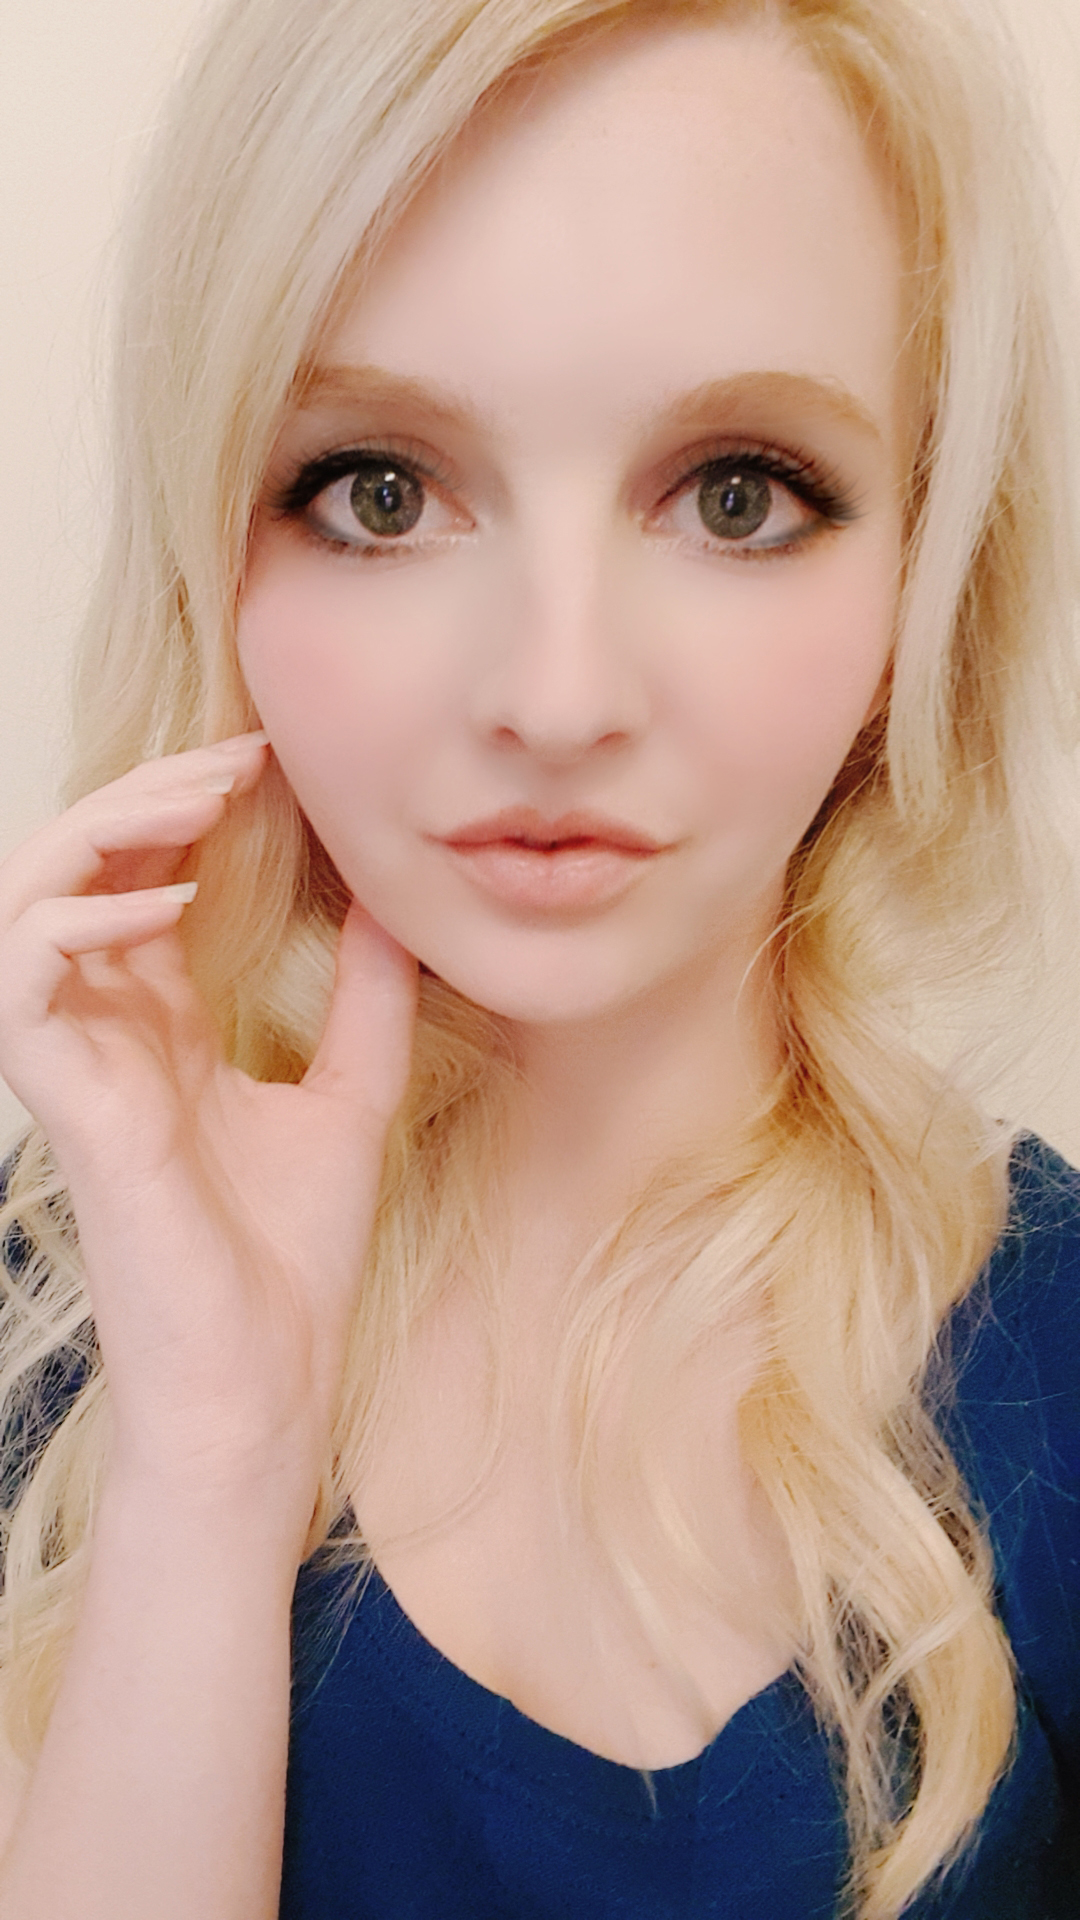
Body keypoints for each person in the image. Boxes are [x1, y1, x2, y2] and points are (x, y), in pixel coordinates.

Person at [0, 0, 1077, 1913]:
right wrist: (208, 1461)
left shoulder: (1055, 1360)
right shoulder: (55, 1330)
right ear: (213, 553)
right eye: (382, 491)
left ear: (924, 583)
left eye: (738, 494)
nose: (557, 695)